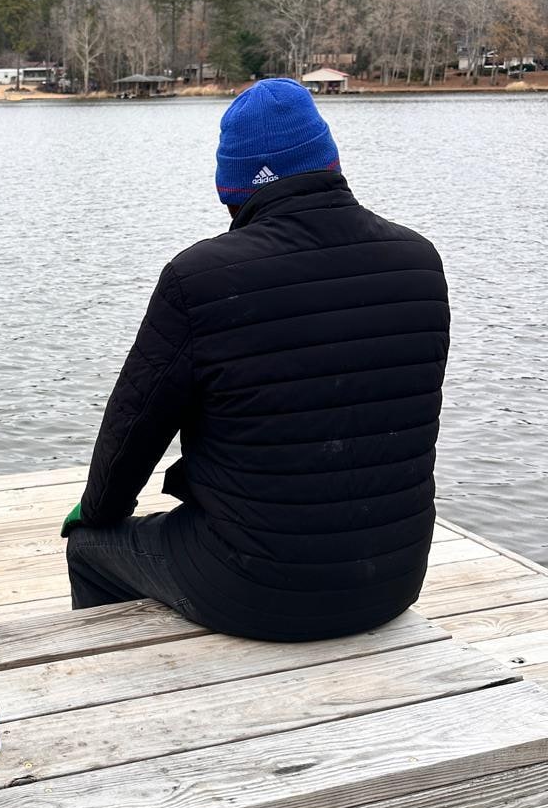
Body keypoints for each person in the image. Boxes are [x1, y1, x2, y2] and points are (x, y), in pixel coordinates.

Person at [63, 78, 450, 641]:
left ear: (231, 190)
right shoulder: (419, 261)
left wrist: (97, 513)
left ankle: (122, 686)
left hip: (256, 590)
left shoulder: (199, 279)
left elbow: (134, 429)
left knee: (91, 549)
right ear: (331, 163)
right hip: (394, 577)